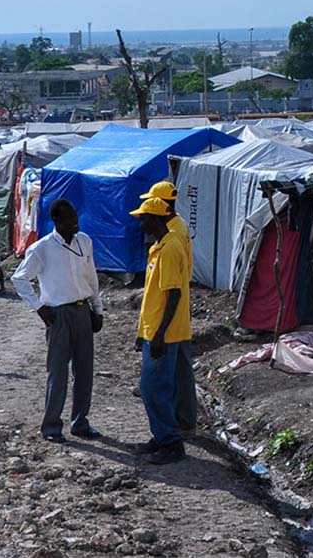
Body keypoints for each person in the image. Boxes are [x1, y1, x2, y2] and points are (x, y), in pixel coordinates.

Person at [12, 199, 105, 444]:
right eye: (70, 219)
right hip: (58, 314)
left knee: (85, 371)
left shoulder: (84, 241)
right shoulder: (42, 248)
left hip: (83, 310)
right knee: (58, 372)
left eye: (76, 217)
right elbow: (19, 279)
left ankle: (80, 422)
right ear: (56, 220)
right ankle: (52, 426)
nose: (75, 222)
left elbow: (91, 278)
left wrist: (98, 310)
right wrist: (39, 308)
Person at [131, 197, 192, 464]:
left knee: (154, 388)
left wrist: (158, 335)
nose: (140, 222)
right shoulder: (159, 246)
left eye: (144, 218)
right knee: (155, 386)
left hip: (164, 334)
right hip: (154, 330)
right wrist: (142, 331)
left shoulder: (169, 249)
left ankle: (170, 442)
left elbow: (174, 295)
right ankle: (162, 435)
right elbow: (153, 297)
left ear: (156, 219)